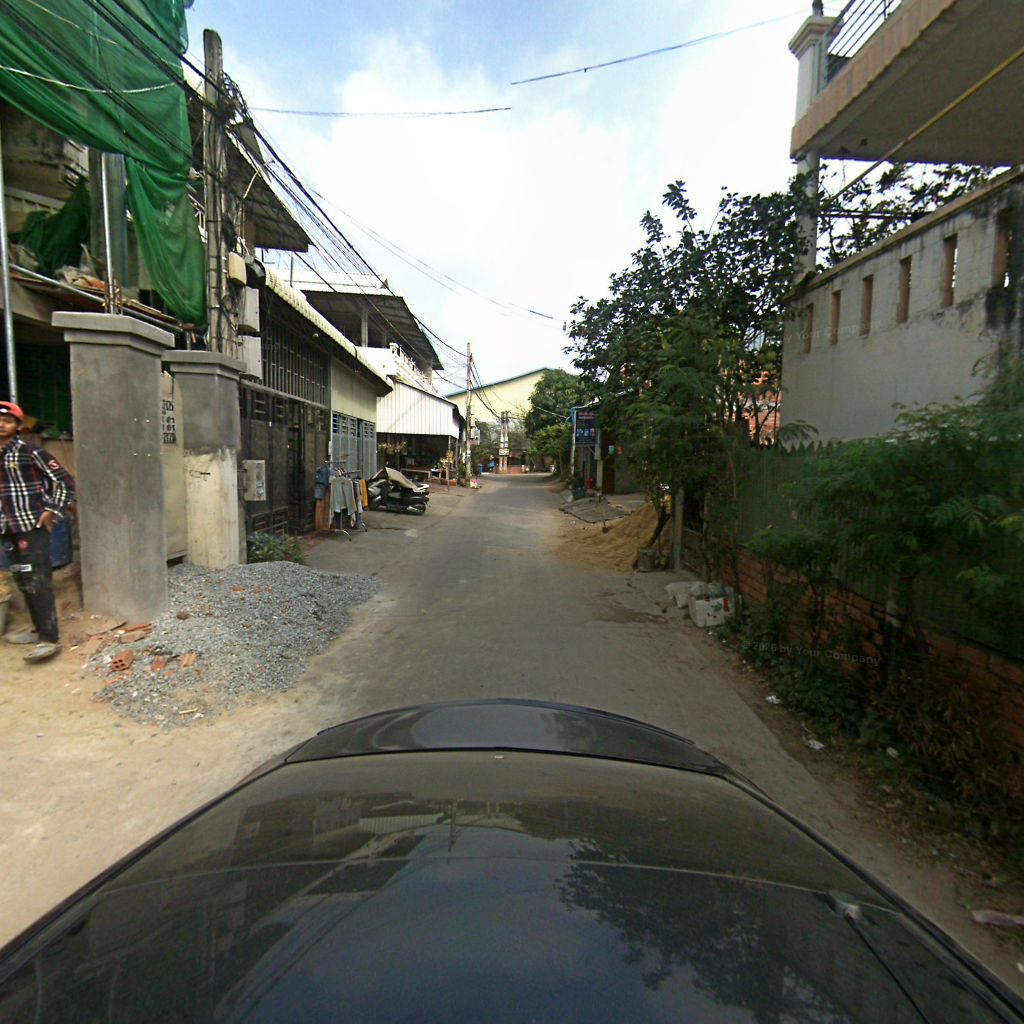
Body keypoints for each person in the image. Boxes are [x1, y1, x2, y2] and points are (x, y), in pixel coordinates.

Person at [0, 400, 75, 662]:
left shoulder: (30, 452)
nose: (1, 425)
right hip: (6, 527)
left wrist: (51, 510)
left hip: (31, 526)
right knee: (22, 579)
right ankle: (38, 629)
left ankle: (48, 638)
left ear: (18, 426)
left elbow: (65, 482)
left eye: (7, 421)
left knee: (37, 579)